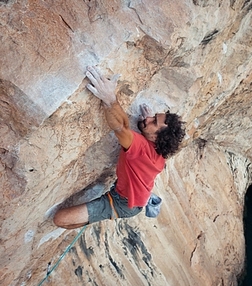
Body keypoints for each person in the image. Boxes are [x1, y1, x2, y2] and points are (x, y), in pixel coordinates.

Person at [53, 66, 185, 229]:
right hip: (135, 197)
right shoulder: (158, 150)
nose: (148, 118)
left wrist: (109, 99)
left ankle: (97, 215)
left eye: (154, 121)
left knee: (60, 219)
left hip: (123, 204)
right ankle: (101, 210)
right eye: (153, 116)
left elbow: (121, 128)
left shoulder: (142, 149)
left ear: (156, 137)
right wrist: (148, 127)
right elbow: (137, 135)